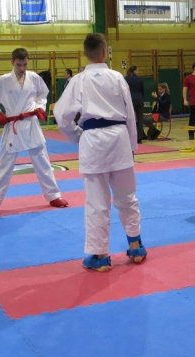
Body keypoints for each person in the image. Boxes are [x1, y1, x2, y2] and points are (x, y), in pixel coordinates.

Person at [53, 33, 146, 272]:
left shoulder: (78, 81)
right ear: (105, 52)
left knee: (97, 202)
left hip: (93, 141)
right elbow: (130, 114)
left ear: (85, 53)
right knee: (127, 197)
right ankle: (135, 245)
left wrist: (76, 135)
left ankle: (100, 256)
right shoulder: (117, 77)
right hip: (119, 138)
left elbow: (61, 115)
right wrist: (132, 146)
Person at [0, 47, 68, 215]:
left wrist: (40, 107)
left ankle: (54, 195)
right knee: (5, 165)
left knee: (43, 161)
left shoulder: (34, 78)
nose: (22, 68)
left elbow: (43, 93)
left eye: (25, 65)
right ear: (12, 62)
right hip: (13, 125)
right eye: (19, 65)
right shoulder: (3, 81)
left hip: (31, 124)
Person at [125, 65, 145, 143]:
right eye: (137, 70)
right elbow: (142, 90)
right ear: (134, 71)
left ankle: (131, 136)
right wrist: (141, 98)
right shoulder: (140, 79)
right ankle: (139, 137)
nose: (138, 72)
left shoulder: (126, 79)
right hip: (139, 99)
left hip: (130, 100)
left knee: (130, 118)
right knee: (140, 118)